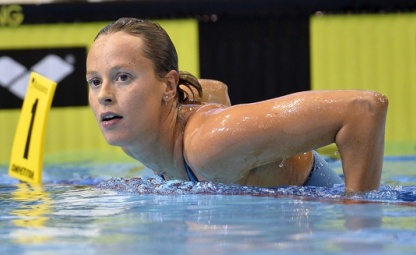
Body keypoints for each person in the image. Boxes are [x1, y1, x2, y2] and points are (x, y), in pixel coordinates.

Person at [86, 17, 388, 193]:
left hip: (313, 217)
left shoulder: (210, 144)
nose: (104, 95)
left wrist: (358, 221)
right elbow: (213, 89)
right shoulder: (138, 135)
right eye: (95, 81)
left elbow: (364, 109)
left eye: (123, 77)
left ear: (168, 85)